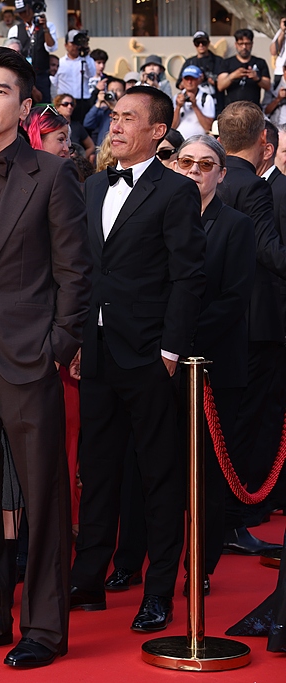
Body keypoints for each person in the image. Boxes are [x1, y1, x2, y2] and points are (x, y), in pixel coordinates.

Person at [0, 46, 90, 668]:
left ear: (24, 105)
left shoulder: (53, 173)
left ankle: (44, 626)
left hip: (29, 359)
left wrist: (55, 346)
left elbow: (76, 272)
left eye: (1, 90)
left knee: (43, 500)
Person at [69, 86, 206, 633]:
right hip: (98, 352)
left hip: (150, 355)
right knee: (97, 470)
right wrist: (80, 340)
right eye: (114, 117)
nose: (116, 126)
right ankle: (88, 579)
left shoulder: (176, 191)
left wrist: (171, 350)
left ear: (157, 131)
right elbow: (85, 271)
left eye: (129, 118)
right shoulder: (92, 185)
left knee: (158, 476)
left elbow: (188, 276)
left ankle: (159, 591)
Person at [173, 134, 256, 584]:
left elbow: (235, 298)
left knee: (208, 473)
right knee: (165, 468)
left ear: (221, 175)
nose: (194, 170)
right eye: (187, 161)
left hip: (215, 367)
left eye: (206, 165)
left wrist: (179, 337)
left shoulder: (236, 225)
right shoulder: (161, 218)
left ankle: (200, 566)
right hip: (165, 365)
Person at [214, 102, 286, 556]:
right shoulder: (253, 186)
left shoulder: (204, 179)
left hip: (217, 322)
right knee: (242, 427)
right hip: (254, 327)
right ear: (264, 139)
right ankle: (231, 522)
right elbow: (269, 251)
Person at [218, 29, 271, 107]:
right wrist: (233, 76)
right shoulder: (227, 63)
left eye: (247, 44)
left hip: (253, 108)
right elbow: (220, 86)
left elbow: (268, 86)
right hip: (232, 108)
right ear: (236, 44)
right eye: (241, 44)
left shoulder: (260, 62)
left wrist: (257, 78)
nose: (244, 47)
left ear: (252, 44)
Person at [55, 31, 95, 118]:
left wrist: (86, 55)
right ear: (66, 45)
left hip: (83, 101)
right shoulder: (60, 62)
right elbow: (54, 83)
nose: (76, 46)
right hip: (65, 103)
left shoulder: (87, 60)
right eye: (73, 43)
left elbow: (91, 74)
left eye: (78, 43)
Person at [174, 66, 216, 138]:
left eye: (193, 79)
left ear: (199, 79)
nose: (189, 82)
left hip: (198, 140)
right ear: (183, 80)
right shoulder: (176, 97)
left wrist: (195, 106)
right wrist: (178, 107)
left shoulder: (207, 98)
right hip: (179, 141)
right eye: (187, 79)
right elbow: (172, 127)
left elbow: (208, 127)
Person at [83, 78, 124, 144]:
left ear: (124, 92)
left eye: (118, 90)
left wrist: (115, 108)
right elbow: (87, 123)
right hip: (103, 148)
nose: (114, 93)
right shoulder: (103, 111)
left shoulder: (127, 111)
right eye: (111, 90)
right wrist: (98, 103)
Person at [54, 93, 95, 157]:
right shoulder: (53, 126)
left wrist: (81, 159)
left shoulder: (77, 126)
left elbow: (91, 146)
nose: (69, 107)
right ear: (57, 107)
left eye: (72, 104)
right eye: (65, 104)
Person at [181, 31, 220, 97]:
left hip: (215, 98)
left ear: (208, 43)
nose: (201, 45)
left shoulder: (219, 61)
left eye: (203, 42)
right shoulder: (189, 62)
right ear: (194, 44)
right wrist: (194, 80)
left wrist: (213, 81)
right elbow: (180, 85)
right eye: (197, 43)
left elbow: (224, 83)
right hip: (195, 100)